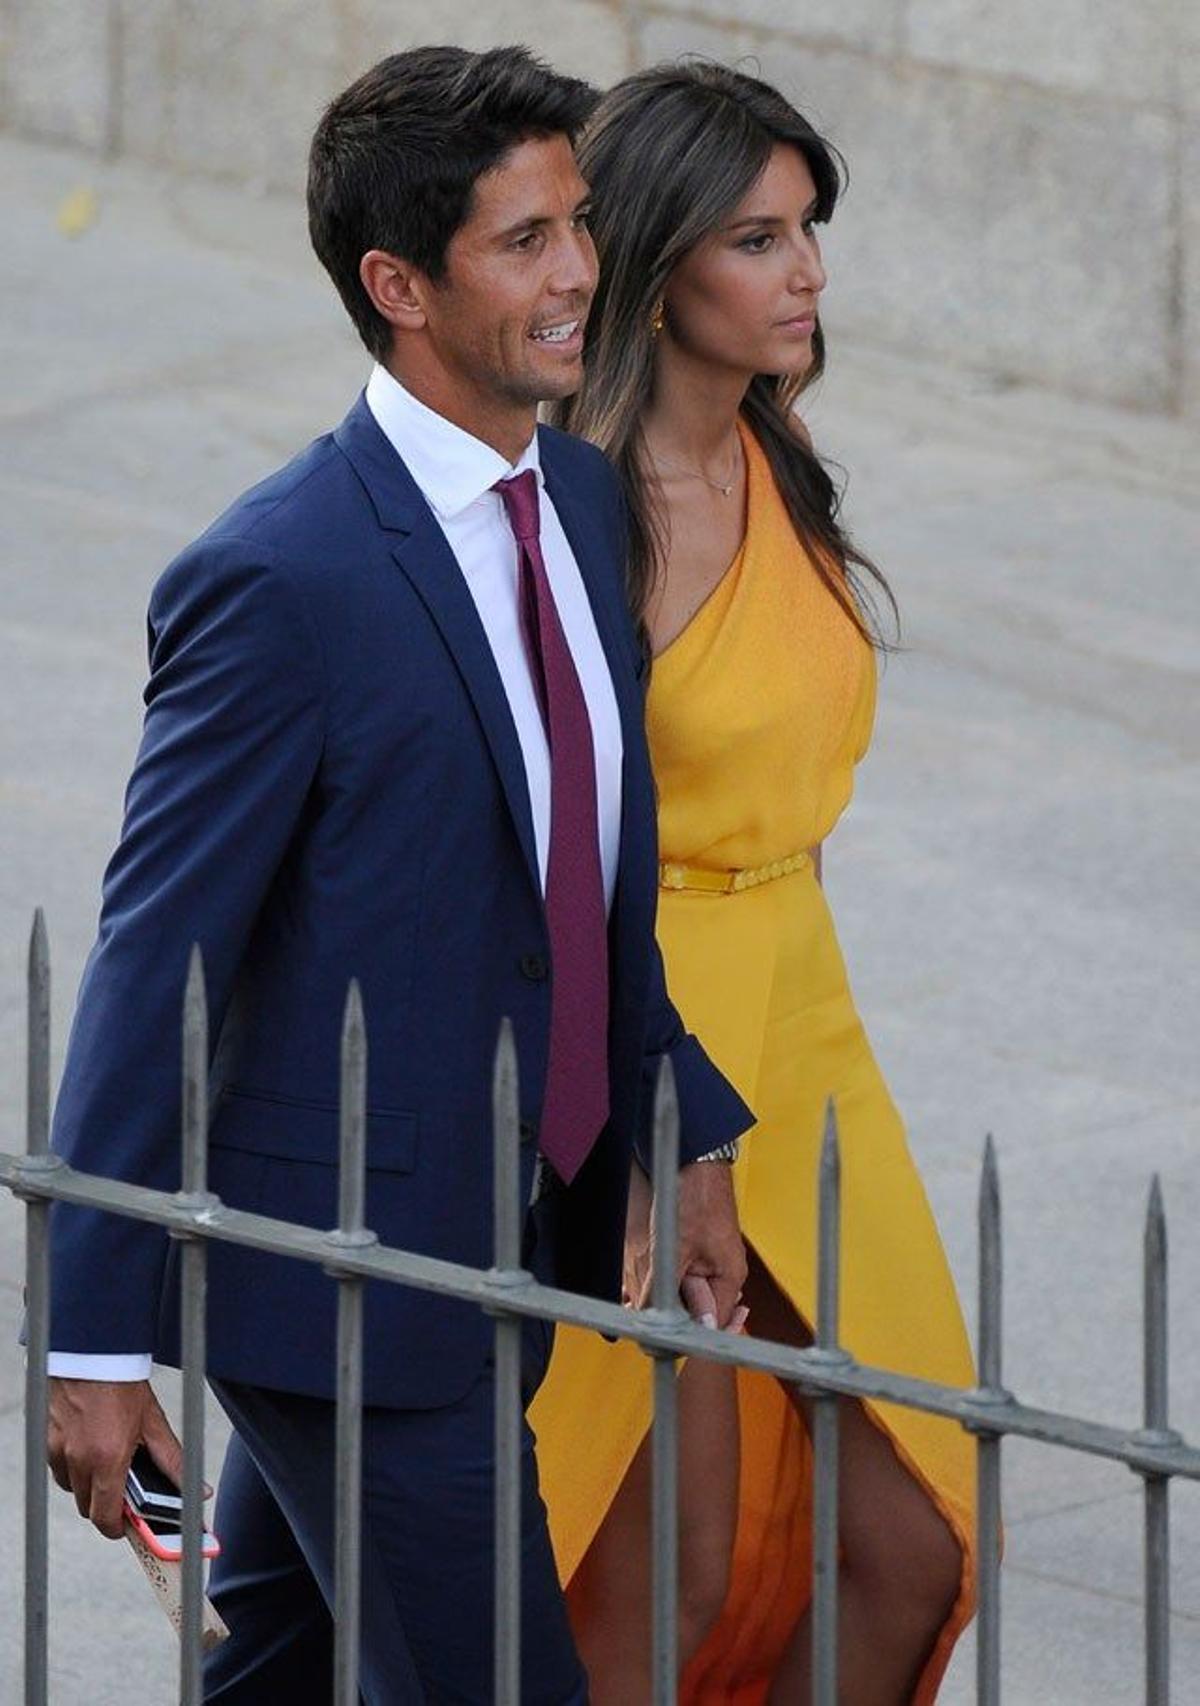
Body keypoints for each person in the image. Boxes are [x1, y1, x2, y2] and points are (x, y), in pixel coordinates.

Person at [41, 46, 754, 1704]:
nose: (582, 269)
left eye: (577, 222)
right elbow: (157, 955)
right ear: (400, 286)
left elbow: (579, 880)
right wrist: (89, 1342)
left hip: (508, 1224)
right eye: (526, 241)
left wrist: (678, 1123)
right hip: (346, 1278)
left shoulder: (574, 497)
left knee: (281, 1659)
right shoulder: (276, 577)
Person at [530, 60, 978, 1704]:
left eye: (810, 230)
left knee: (917, 1528)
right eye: (759, 237)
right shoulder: (581, 516)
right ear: (657, 265)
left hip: (808, 1003)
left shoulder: (778, 452)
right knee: (669, 1559)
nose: (809, 272)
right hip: (652, 1017)